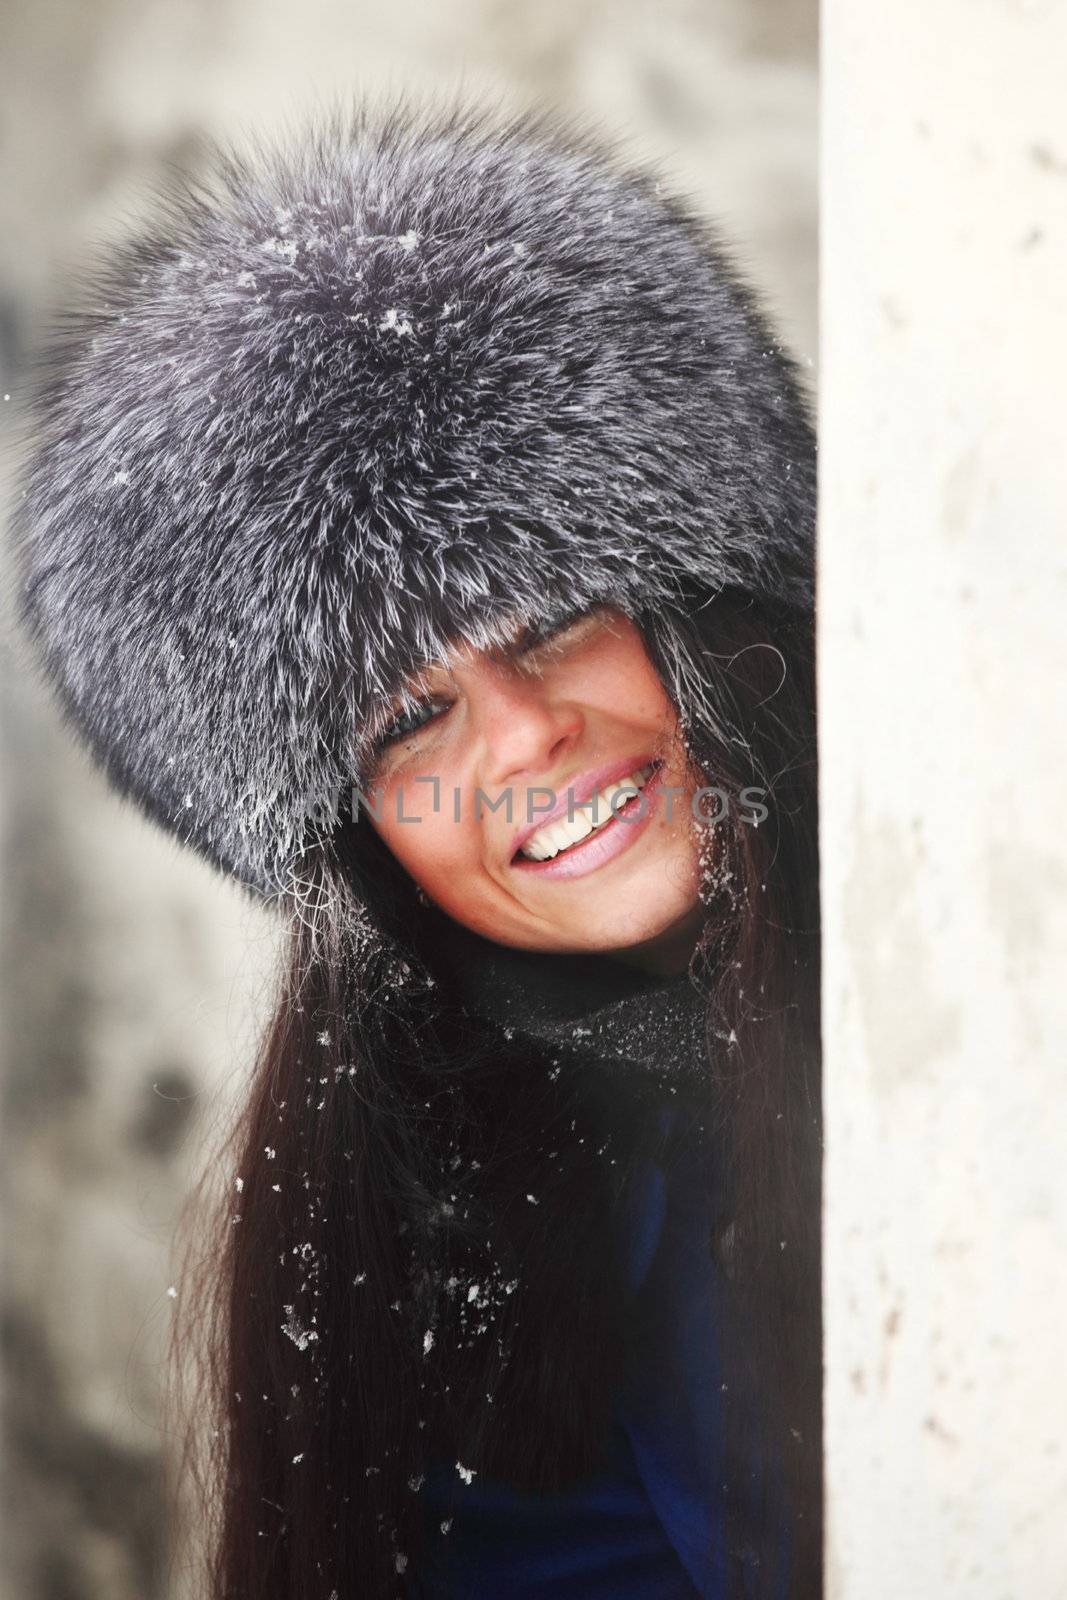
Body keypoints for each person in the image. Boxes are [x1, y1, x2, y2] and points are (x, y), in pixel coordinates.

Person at [11, 98, 822, 1598]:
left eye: (558, 621)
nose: (520, 739)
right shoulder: (451, 1235)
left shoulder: (974, 965)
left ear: (706, 609)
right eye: (407, 722)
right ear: (363, 849)